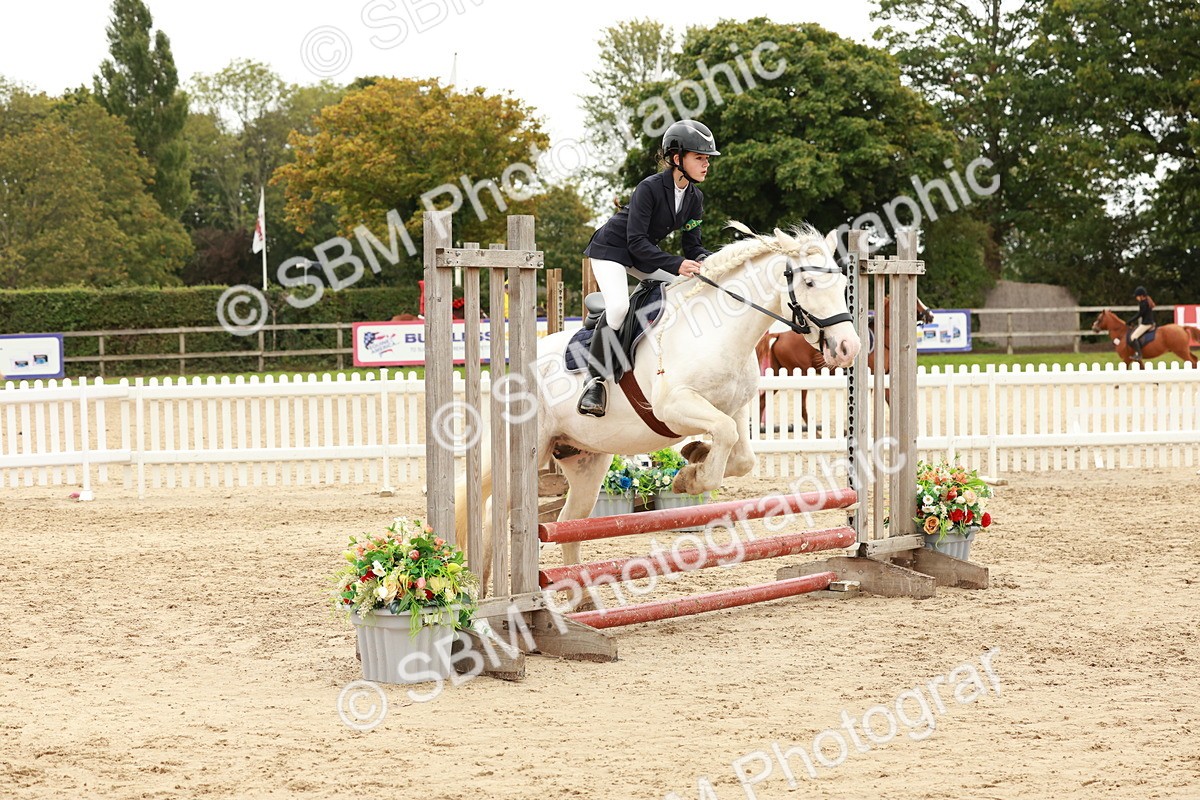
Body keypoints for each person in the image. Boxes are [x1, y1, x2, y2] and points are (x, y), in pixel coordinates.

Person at [576, 119, 720, 417]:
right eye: (700, 158)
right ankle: (595, 380)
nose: (706, 164)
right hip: (611, 251)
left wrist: (711, 262)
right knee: (617, 308)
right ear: (677, 159)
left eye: (707, 159)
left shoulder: (695, 199)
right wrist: (678, 263)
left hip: (643, 255)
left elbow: (693, 247)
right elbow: (637, 241)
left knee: (686, 289)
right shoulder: (650, 188)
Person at [1129, 286, 1156, 361]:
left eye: (1137, 296)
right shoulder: (1147, 301)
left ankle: (1139, 354)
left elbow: (1139, 314)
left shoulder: (1143, 303)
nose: (1136, 298)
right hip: (1148, 322)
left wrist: (1130, 320)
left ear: (1141, 296)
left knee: (1133, 337)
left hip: (1146, 324)